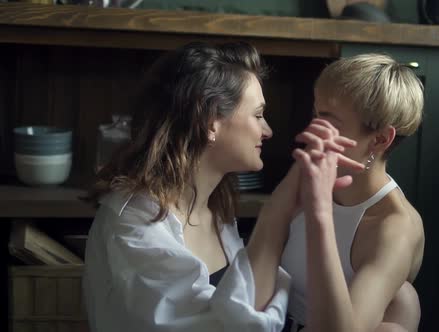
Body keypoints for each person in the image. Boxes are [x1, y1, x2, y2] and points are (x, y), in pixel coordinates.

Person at [82, 41, 363, 332]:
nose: (267, 130)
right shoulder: (132, 223)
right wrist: (277, 212)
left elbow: (244, 306)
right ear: (209, 122)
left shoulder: (215, 208)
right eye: (257, 115)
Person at [281, 53, 425, 332]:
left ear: (380, 140)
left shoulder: (394, 227)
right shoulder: (310, 180)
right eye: (315, 113)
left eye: (328, 120)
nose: (312, 129)